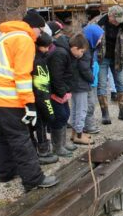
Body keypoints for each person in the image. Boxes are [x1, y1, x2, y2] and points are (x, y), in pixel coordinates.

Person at [0, 10, 58, 191]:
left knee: (2, 135)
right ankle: (33, 179)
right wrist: (29, 104)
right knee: (20, 137)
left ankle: (5, 173)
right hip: (7, 97)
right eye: (41, 30)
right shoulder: (24, 40)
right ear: (34, 28)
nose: (41, 35)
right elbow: (22, 75)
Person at [47, 21, 78, 157]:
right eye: (58, 34)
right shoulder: (57, 52)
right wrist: (61, 92)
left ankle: (63, 143)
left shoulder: (61, 49)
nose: (61, 36)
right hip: (57, 92)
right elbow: (56, 76)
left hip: (63, 90)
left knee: (65, 114)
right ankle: (57, 146)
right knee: (59, 117)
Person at [30, 32, 57, 164]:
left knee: (38, 124)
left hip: (35, 97)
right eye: (45, 47)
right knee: (40, 124)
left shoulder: (37, 58)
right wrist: (49, 111)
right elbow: (42, 88)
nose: (47, 50)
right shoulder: (38, 62)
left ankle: (40, 150)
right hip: (39, 98)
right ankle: (43, 152)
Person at [68, 33, 93, 145]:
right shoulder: (80, 56)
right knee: (82, 110)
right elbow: (84, 69)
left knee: (74, 109)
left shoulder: (73, 54)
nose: (82, 54)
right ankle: (79, 134)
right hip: (81, 85)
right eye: (82, 51)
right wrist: (92, 78)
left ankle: (74, 133)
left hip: (74, 84)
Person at [82, 24, 104, 132]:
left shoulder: (92, 48)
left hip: (92, 80)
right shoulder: (85, 51)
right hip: (88, 81)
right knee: (89, 104)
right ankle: (88, 126)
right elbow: (84, 68)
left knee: (90, 103)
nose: (100, 41)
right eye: (98, 38)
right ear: (92, 37)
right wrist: (91, 78)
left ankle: (88, 124)